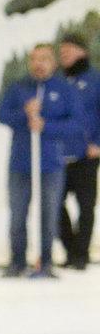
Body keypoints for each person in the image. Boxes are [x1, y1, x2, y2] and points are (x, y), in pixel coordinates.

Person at [0, 43, 82, 279]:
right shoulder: (19, 88)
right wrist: (25, 114)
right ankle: (17, 262)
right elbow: (2, 115)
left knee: (49, 215)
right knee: (17, 215)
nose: (38, 64)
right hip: (20, 164)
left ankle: (45, 262)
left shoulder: (64, 90)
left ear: (53, 62)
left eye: (44, 59)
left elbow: (75, 125)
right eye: (34, 59)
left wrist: (46, 126)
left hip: (51, 165)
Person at [55, 36, 99, 271]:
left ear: (82, 52)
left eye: (69, 51)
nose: (64, 55)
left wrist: (98, 144)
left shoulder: (95, 80)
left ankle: (81, 255)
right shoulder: (59, 82)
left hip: (86, 154)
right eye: (61, 52)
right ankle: (71, 250)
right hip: (60, 155)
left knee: (86, 205)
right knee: (55, 204)